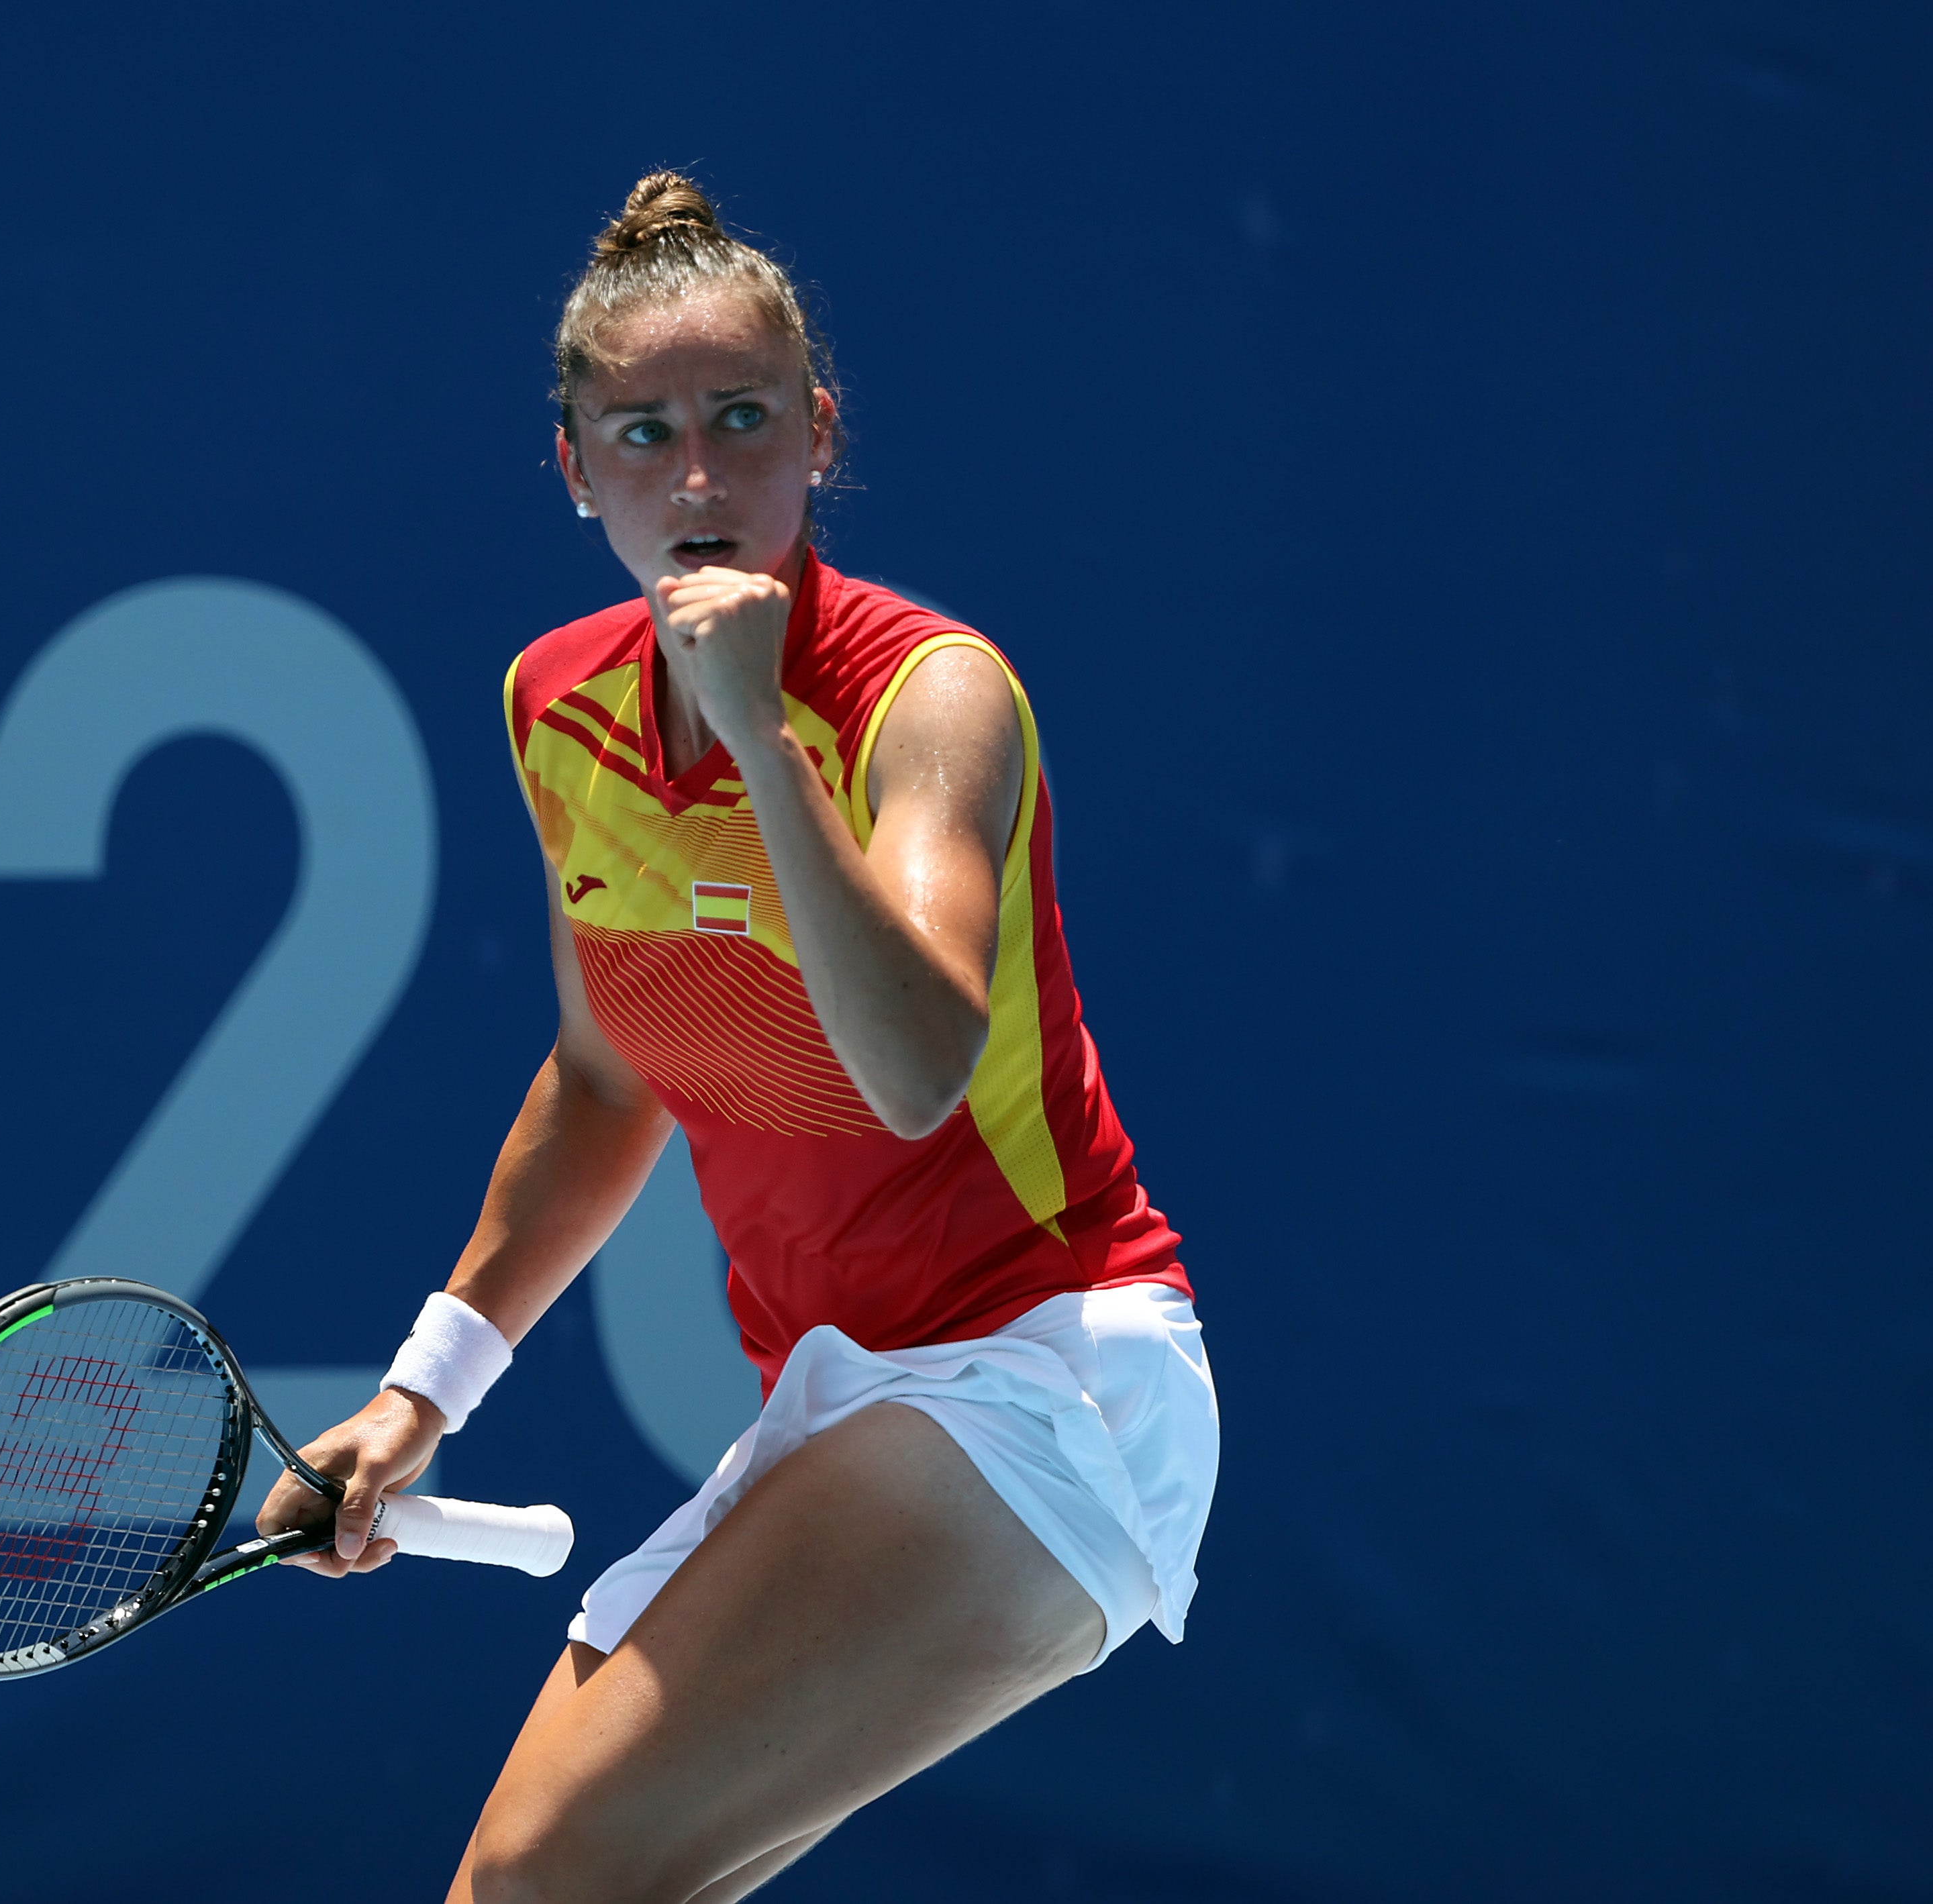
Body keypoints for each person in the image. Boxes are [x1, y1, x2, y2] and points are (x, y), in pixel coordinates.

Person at [258, 172, 1220, 1903]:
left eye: (742, 422)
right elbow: (614, 1069)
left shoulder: (934, 695)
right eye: (641, 435)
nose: (697, 483)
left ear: (819, 432)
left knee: (548, 1882)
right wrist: (423, 1398)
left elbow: (920, 1066)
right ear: (573, 467)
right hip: (839, 1390)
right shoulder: (555, 709)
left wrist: (764, 741)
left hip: (1044, 1373)